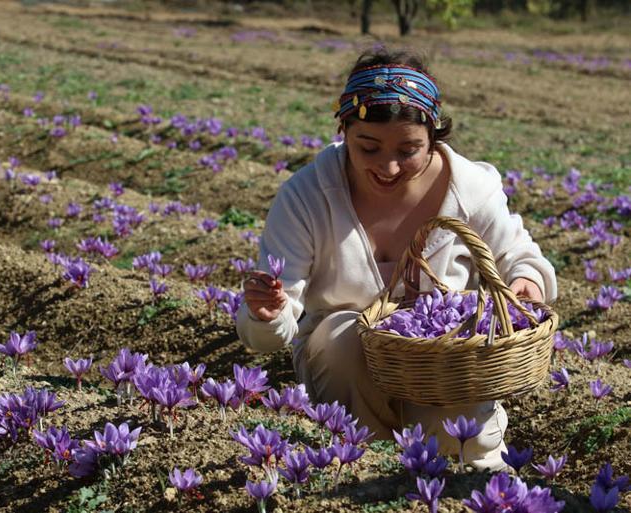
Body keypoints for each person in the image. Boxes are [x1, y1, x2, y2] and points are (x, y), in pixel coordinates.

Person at [235, 48, 557, 471]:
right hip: (346, 368)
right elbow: (271, 333)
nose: (388, 167)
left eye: (408, 150)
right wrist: (266, 314)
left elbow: (519, 256)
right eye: (367, 147)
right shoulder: (307, 196)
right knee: (345, 334)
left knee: (458, 457)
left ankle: (466, 462)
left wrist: (525, 284)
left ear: (434, 136)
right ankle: (360, 464)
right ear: (343, 130)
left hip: (447, 363)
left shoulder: (470, 188)